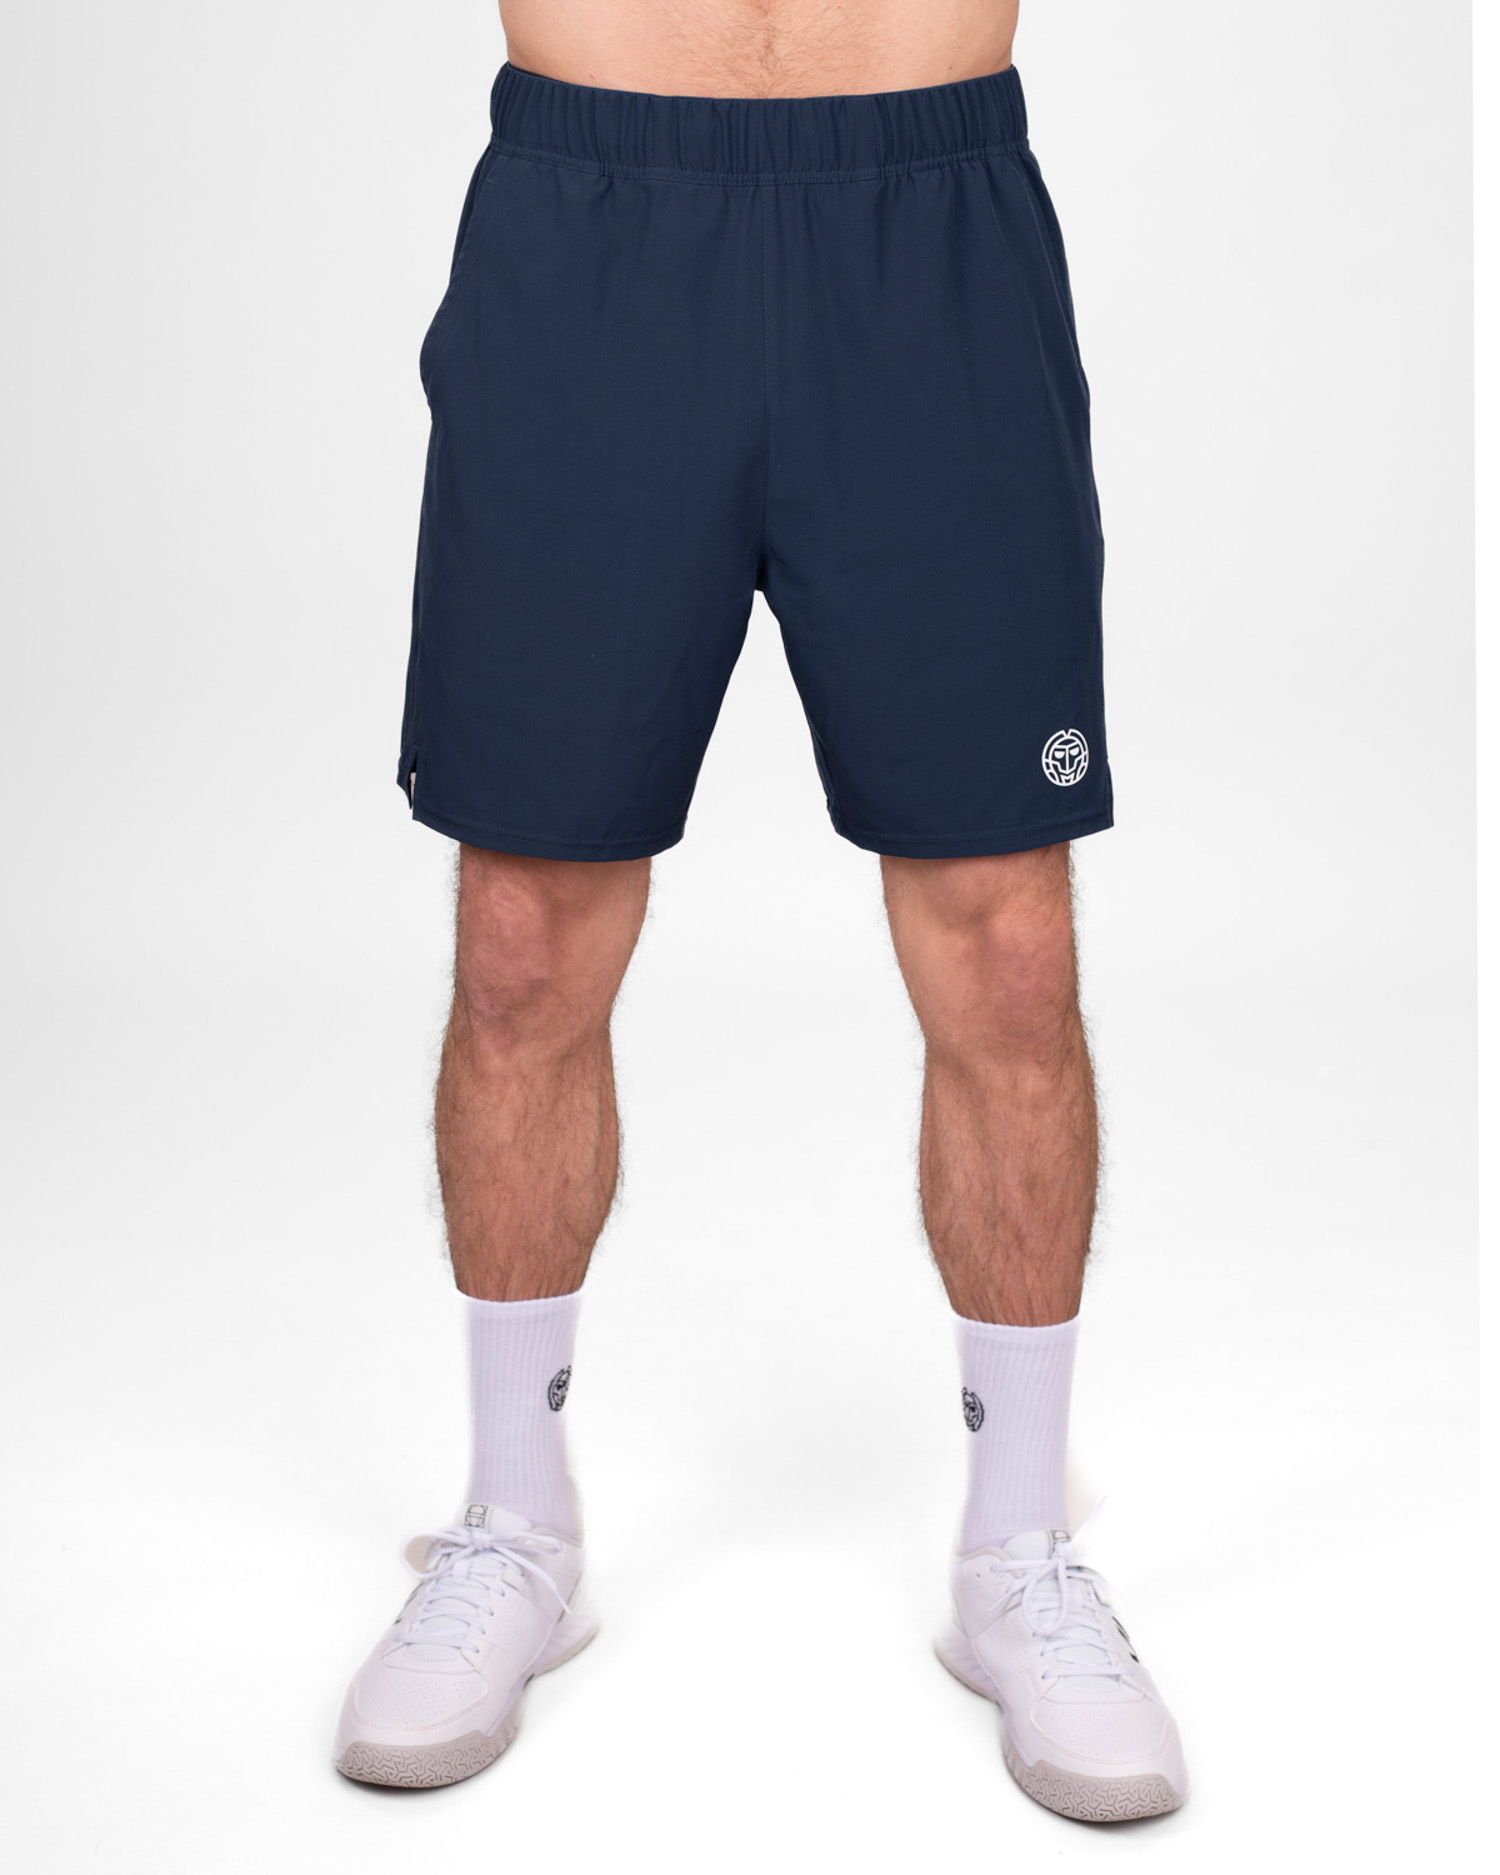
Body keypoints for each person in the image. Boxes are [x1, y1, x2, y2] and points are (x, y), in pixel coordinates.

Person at [334, 0, 1187, 1821]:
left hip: (929, 224)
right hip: (592, 217)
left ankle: (1019, 1554)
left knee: (1007, 940)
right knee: (524, 937)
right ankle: (516, 1525)